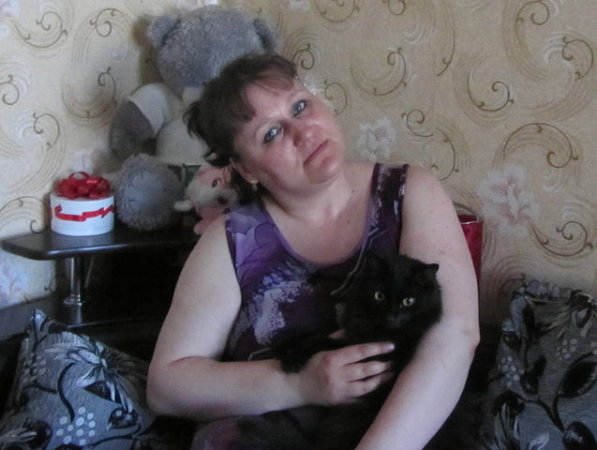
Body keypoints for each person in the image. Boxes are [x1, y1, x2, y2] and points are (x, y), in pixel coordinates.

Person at [147, 53, 479, 449]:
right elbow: (166, 388)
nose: (302, 132)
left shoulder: (410, 193)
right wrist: (300, 384)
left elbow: (454, 337)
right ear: (246, 169)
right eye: (271, 133)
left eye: (300, 106)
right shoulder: (231, 239)